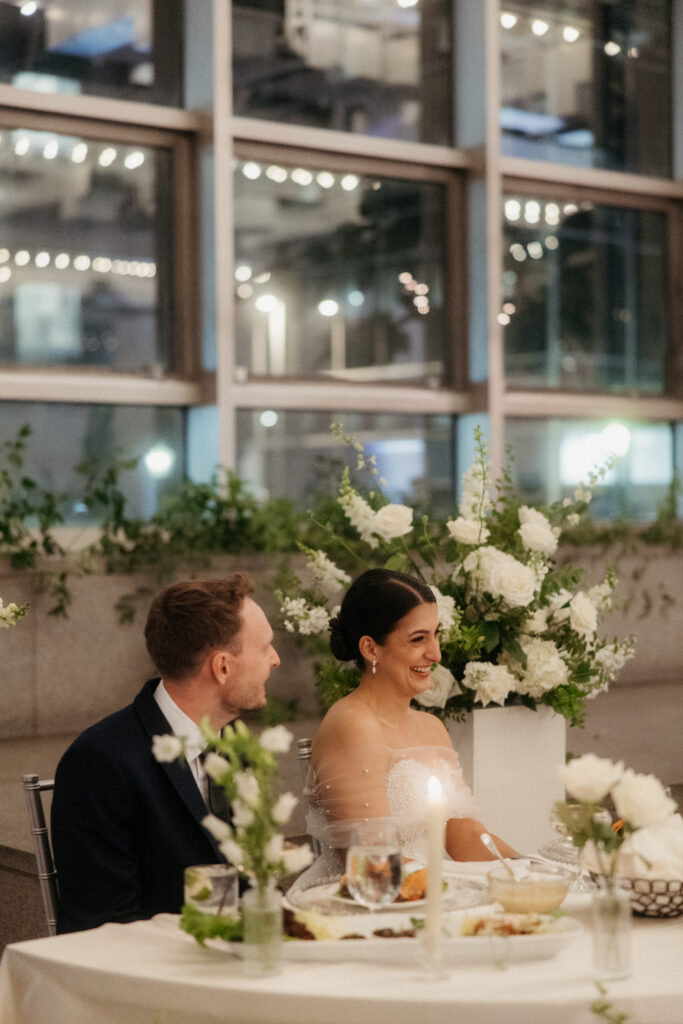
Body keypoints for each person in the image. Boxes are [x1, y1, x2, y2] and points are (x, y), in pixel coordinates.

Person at [51, 574, 280, 933]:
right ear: (222, 667)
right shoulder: (101, 762)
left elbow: (256, 880)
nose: (276, 659)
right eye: (266, 647)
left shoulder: (235, 741)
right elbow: (105, 922)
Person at [302, 568, 517, 879]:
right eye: (418, 639)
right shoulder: (351, 725)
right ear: (370, 648)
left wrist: (532, 869)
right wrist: (452, 892)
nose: (436, 654)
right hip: (371, 905)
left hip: (430, 893)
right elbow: (371, 863)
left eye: (436, 634)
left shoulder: (432, 727)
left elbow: (466, 838)